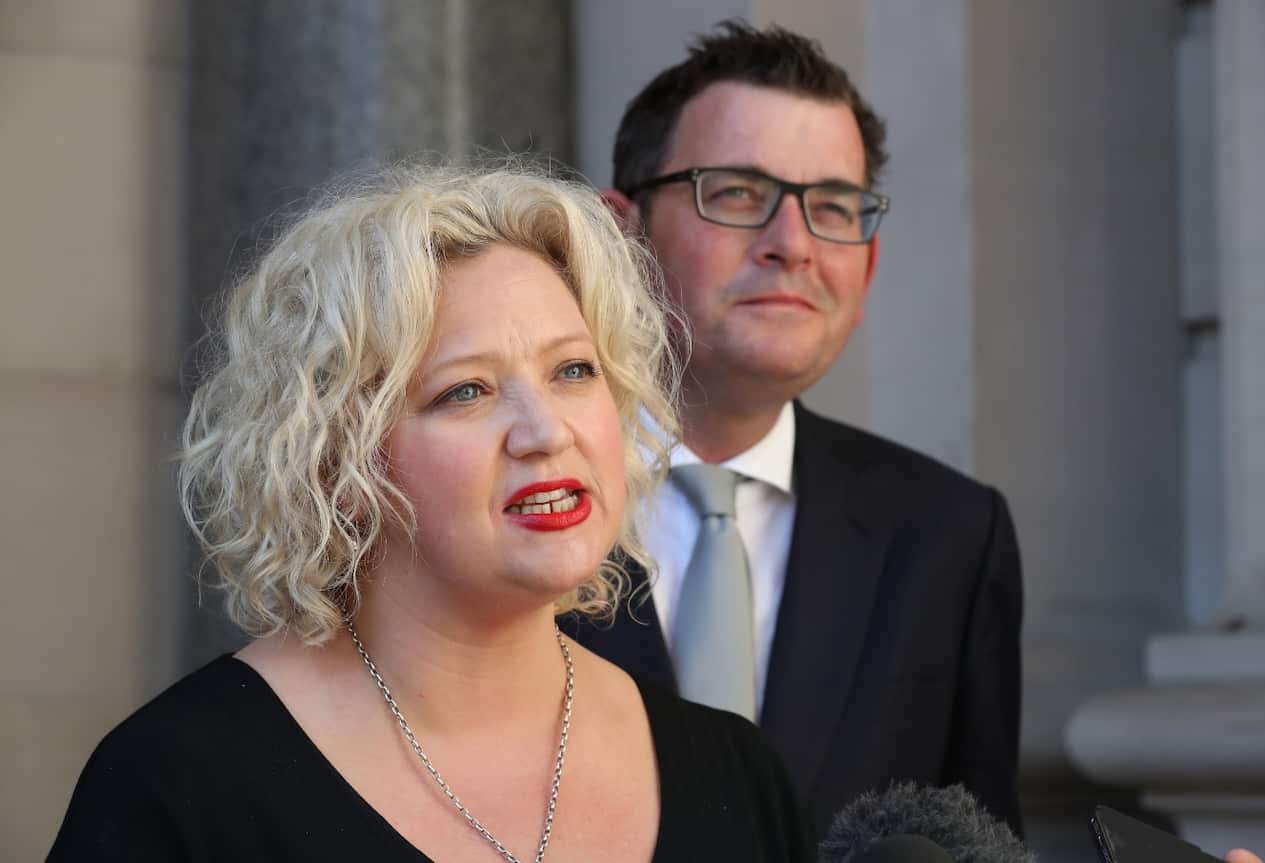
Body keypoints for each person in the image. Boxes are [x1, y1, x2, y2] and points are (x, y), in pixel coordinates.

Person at [48, 164, 810, 862]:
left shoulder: (736, 774)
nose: (547, 431)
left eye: (574, 370)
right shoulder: (174, 787)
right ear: (338, 463)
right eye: (466, 390)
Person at [564, 21, 1025, 839]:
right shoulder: (503, 496)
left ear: (867, 268)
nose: (794, 244)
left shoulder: (949, 534)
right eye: (738, 193)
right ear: (619, 236)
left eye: (834, 207)